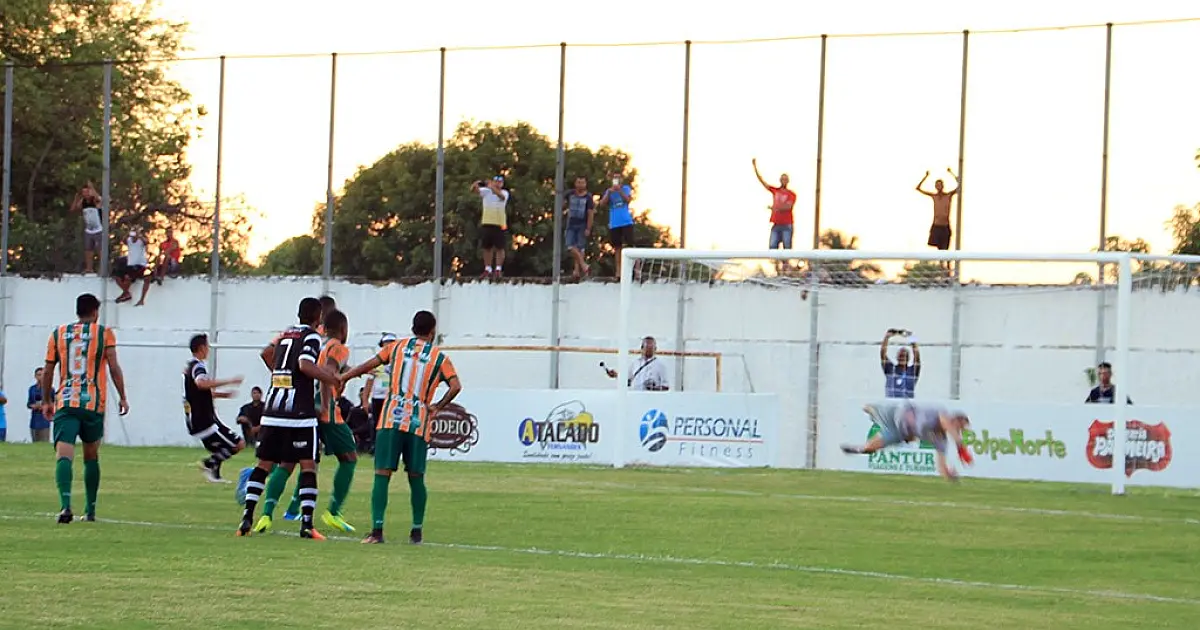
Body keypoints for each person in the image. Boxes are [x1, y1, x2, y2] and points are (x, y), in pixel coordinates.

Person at [339, 310, 462, 545]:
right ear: (432, 330)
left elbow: (369, 365)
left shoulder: (395, 347)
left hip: (391, 418)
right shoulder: (439, 358)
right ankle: (416, 532)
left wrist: (344, 378)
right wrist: (438, 405)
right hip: (418, 421)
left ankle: (377, 532)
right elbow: (455, 385)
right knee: (416, 477)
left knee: (382, 474)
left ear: (413, 327)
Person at [236, 297, 340, 540]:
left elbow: (266, 354)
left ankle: (247, 518)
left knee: (264, 465)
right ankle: (306, 525)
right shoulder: (312, 337)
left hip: (272, 412)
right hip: (299, 415)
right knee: (308, 466)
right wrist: (329, 378)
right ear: (318, 318)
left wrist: (281, 375)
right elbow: (304, 364)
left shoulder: (284, 335)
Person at [255, 309, 359, 535]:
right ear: (343, 329)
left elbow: (269, 354)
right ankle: (332, 511)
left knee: (291, 462)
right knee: (349, 457)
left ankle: (267, 512)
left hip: (301, 409)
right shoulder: (338, 347)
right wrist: (324, 402)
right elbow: (327, 371)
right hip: (326, 411)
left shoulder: (311, 340)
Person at [42, 293, 129, 523]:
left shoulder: (58, 334)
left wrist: (46, 400)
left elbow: (48, 370)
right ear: (95, 312)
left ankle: (65, 506)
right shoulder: (104, 333)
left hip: (66, 402)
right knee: (91, 455)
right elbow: (113, 366)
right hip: (93, 403)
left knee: (64, 454)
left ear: (77, 311)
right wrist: (122, 396)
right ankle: (90, 510)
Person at [841, 402, 971, 482]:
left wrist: (951, 476)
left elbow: (941, 467)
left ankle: (856, 449)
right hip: (895, 414)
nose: (959, 431)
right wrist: (960, 447)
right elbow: (947, 424)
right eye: (960, 427)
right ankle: (866, 407)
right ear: (954, 419)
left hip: (900, 433)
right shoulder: (941, 414)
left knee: (869, 449)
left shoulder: (941, 440)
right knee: (867, 407)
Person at [183, 334, 246, 483]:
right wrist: (229, 381)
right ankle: (208, 464)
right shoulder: (198, 366)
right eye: (207, 346)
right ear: (202, 348)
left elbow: (197, 393)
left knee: (222, 447)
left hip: (198, 419)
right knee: (238, 444)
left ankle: (215, 474)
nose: (208, 349)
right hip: (204, 419)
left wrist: (222, 395)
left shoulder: (189, 366)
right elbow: (201, 384)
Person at [752, 159, 796, 252]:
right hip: (776, 224)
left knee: (787, 249)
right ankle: (778, 265)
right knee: (772, 247)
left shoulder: (791, 194)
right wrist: (755, 167)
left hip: (787, 225)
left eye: (785, 179)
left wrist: (774, 208)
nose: (783, 180)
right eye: (782, 179)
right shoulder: (776, 191)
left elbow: (788, 207)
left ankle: (785, 266)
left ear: (787, 181)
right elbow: (763, 182)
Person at [472, 176, 510, 279]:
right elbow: (475, 191)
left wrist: (492, 187)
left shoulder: (505, 193)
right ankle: (487, 269)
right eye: (496, 182)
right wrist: (476, 184)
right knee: (486, 247)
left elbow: (501, 196)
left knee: (499, 247)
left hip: (499, 223)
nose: (498, 184)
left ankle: (498, 269)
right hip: (487, 222)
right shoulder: (486, 192)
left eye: (500, 182)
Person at [598, 173, 634, 278]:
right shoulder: (609, 191)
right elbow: (601, 204)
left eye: (618, 178)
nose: (616, 180)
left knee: (630, 245)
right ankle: (618, 272)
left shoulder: (626, 188)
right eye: (614, 178)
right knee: (617, 248)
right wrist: (609, 193)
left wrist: (620, 190)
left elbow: (628, 200)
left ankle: (635, 270)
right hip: (614, 223)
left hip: (626, 221)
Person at [362, 332, 396, 440]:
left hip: (392, 399)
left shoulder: (398, 362)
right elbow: (369, 381)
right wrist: (365, 400)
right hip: (378, 398)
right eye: (386, 344)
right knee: (377, 424)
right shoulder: (377, 362)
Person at [916, 169, 959, 252]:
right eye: (937, 185)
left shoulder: (948, 195)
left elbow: (960, 186)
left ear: (943, 186)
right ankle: (942, 263)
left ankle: (947, 263)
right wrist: (925, 176)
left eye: (940, 185)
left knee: (945, 248)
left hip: (945, 225)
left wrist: (951, 173)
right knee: (939, 249)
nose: (938, 186)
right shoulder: (934, 196)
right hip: (936, 225)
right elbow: (918, 188)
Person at [605, 336, 670, 391]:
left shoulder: (660, 365)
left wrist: (653, 388)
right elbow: (627, 381)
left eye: (651, 348)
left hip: (651, 399)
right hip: (635, 397)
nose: (649, 350)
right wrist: (616, 375)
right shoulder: (635, 364)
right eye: (647, 347)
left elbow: (666, 387)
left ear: (655, 349)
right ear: (642, 348)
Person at [563, 176, 595, 280]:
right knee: (570, 246)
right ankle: (584, 265)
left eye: (582, 183)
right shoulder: (570, 194)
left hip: (582, 224)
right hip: (571, 224)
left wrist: (588, 228)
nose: (580, 185)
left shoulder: (588, 197)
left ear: (585, 184)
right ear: (575, 183)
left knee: (580, 247)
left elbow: (590, 213)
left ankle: (577, 271)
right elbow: (561, 201)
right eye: (578, 182)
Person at [115, 228, 152, 305]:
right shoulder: (129, 240)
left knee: (128, 277)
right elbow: (124, 241)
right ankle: (126, 292)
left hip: (139, 264)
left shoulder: (141, 241)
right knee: (117, 276)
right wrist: (127, 234)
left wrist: (139, 235)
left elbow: (146, 242)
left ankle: (126, 294)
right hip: (130, 264)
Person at [72, 183, 104, 274]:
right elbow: (73, 209)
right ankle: (89, 268)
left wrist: (92, 187)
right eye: (84, 192)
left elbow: (99, 199)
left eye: (87, 191)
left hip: (98, 229)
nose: (85, 194)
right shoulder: (82, 201)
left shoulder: (95, 200)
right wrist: (76, 198)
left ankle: (102, 268)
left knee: (100, 249)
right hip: (89, 230)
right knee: (88, 250)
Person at [880, 329, 921, 399]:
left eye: (904, 356)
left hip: (907, 406)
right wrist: (887, 337)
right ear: (897, 358)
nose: (902, 358)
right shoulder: (890, 369)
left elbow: (917, 355)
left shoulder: (912, 371)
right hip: (892, 404)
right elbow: (883, 354)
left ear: (908, 358)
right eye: (900, 356)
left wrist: (911, 337)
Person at [28, 368, 52, 443]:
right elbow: (29, 403)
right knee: (34, 442)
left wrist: (45, 406)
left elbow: (53, 404)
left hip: (44, 421)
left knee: (44, 442)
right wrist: (33, 406)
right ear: (35, 376)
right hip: (34, 420)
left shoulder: (50, 389)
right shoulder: (32, 389)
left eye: (42, 375)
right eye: (38, 375)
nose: (40, 377)